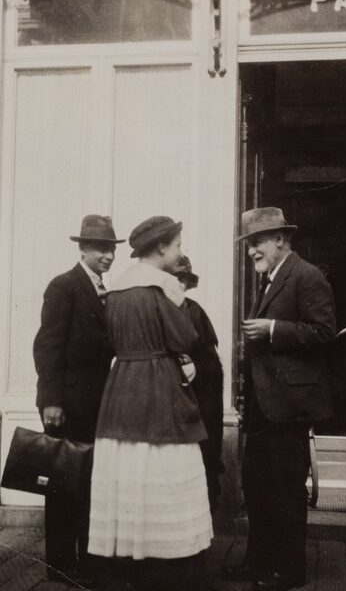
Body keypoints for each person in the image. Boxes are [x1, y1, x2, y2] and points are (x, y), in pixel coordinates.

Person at [87, 216, 213, 591]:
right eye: (176, 245)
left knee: (128, 464)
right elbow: (184, 337)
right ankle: (166, 557)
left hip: (122, 383)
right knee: (163, 464)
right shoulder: (161, 289)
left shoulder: (118, 288)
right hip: (158, 384)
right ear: (160, 248)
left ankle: (128, 553)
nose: (179, 252)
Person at [225, 207, 336, 591]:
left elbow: (324, 333)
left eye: (257, 242)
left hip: (289, 407)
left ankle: (288, 572)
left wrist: (273, 329)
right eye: (249, 243)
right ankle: (258, 564)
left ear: (280, 240)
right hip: (263, 406)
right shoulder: (271, 278)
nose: (251, 251)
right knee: (257, 486)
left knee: (286, 488)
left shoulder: (306, 276)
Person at [33, 214, 124, 586]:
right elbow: (47, 347)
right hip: (66, 406)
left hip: (96, 406)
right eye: (100, 249)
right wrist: (51, 400)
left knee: (89, 484)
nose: (107, 256)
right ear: (82, 248)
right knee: (62, 486)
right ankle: (58, 565)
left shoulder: (105, 291)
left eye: (111, 249)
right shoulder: (64, 286)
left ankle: (87, 562)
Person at [174, 256, 225, 514]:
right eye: (173, 279)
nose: (177, 285)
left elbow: (213, 368)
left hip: (195, 407)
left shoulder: (195, 312)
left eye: (182, 280)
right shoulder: (150, 310)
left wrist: (194, 365)